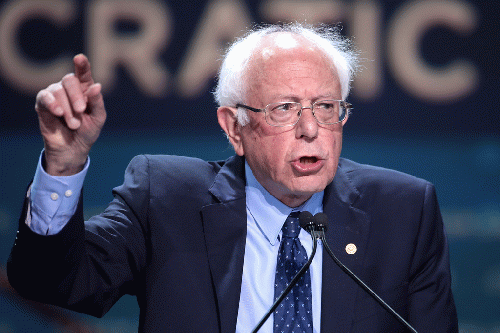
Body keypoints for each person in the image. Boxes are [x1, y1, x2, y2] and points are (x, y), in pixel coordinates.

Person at [8, 23, 458, 332]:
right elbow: (50, 282)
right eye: (284, 109)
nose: (310, 129)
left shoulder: (402, 211)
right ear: (233, 128)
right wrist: (63, 164)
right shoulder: (166, 199)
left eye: (325, 107)